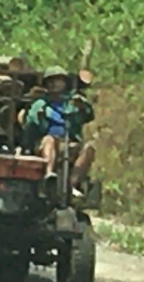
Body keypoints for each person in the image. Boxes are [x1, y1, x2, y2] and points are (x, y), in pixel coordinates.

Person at [25, 66, 95, 198]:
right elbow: (30, 123)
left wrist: (82, 107)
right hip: (45, 143)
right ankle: (48, 176)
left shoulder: (73, 101)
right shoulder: (41, 103)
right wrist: (39, 117)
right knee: (49, 140)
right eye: (50, 81)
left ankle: (73, 183)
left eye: (58, 80)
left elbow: (89, 115)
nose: (54, 84)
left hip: (69, 141)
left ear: (65, 83)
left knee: (89, 148)